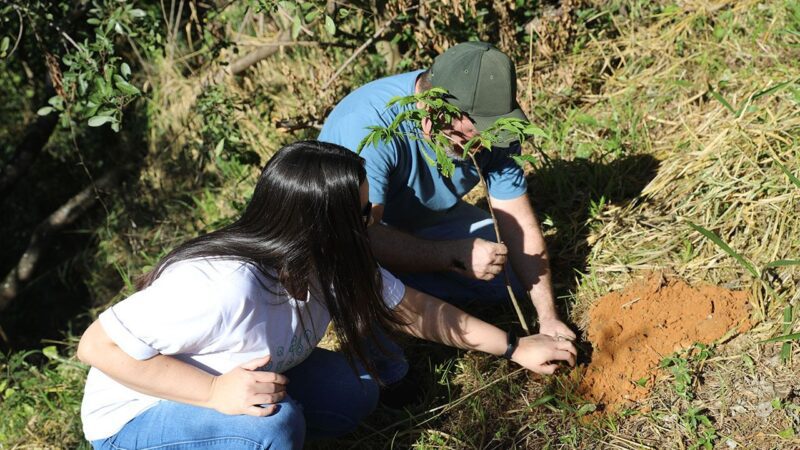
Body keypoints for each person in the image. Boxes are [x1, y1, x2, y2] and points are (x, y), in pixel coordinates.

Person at [77, 141, 577, 449]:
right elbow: (97, 347)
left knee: (354, 391)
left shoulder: (330, 262)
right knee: (272, 425)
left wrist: (516, 348)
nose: (372, 220)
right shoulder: (223, 283)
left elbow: (417, 312)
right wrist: (212, 395)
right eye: (362, 213)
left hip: (238, 381)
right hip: (134, 418)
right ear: (322, 224)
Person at [319, 42, 575, 339]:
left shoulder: (495, 128)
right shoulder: (368, 131)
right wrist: (452, 255)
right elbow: (361, 235)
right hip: (356, 240)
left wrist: (548, 318)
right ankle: (394, 300)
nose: (489, 140)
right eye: (478, 129)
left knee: (514, 276)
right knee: (365, 287)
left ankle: (414, 292)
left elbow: (516, 217)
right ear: (435, 117)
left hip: (429, 220)